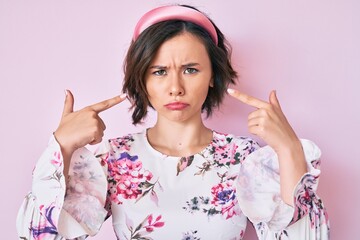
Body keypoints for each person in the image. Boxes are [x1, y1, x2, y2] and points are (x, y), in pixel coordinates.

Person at [16, 4, 330, 240]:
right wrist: (60, 147)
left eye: (191, 69)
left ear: (212, 77)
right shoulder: (113, 158)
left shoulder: (244, 157)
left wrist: (289, 150)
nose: (175, 87)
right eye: (159, 71)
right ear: (142, 79)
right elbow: (38, 236)